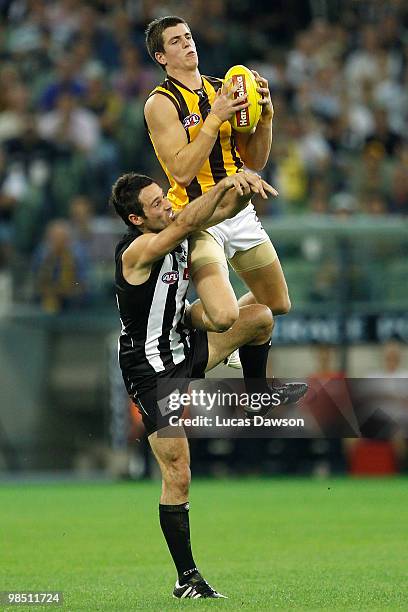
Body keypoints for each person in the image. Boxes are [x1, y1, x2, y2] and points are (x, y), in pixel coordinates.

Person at [111, 170, 307, 599]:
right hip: (152, 372)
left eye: (164, 197)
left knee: (260, 317)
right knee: (178, 474)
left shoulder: (172, 225)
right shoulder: (137, 251)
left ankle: (257, 399)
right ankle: (187, 579)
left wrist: (242, 190)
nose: (166, 204)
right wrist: (219, 184)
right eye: (155, 203)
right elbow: (187, 221)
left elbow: (211, 216)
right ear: (136, 219)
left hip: (185, 343)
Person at [144, 15, 291, 373]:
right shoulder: (161, 103)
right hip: (200, 218)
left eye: (188, 36)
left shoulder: (221, 89)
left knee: (278, 303)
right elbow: (180, 170)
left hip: (239, 211)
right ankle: (189, 325)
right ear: (161, 57)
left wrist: (266, 118)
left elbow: (253, 160)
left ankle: (236, 338)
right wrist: (214, 119)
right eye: (176, 41)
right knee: (224, 316)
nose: (187, 43)